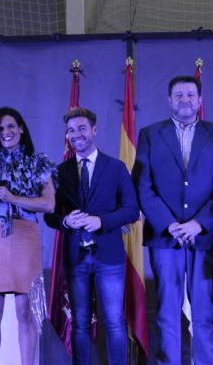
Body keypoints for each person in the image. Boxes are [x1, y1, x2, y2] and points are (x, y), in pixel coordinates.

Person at [132, 75, 213, 365]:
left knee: (205, 313)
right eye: (178, 95)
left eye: (190, 95)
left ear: (200, 100)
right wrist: (170, 224)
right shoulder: (150, 134)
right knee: (167, 312)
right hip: (165, 238)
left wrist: (198, 223)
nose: (185, 100)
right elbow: (142, 184)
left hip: (204, 238)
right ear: (169, 100)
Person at [44, 108, 139, 365]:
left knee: (114, 322)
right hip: (75, 259)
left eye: (81, 128)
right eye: (71, 130)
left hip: (109, 257)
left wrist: (102, 221)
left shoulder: (116, 168)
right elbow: (49, 215)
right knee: (80, 324)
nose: (76, 134)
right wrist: (64, 221)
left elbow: (131, 210)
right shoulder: (60, 172)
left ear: (94, 130)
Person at [0, 107, 56, 365]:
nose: (6, 132)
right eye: (0, 129)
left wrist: (12, 198)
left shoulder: (38, 162)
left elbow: (49, 204)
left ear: (21, 128)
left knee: (25, 311)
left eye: (11, 126)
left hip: (25, 236)